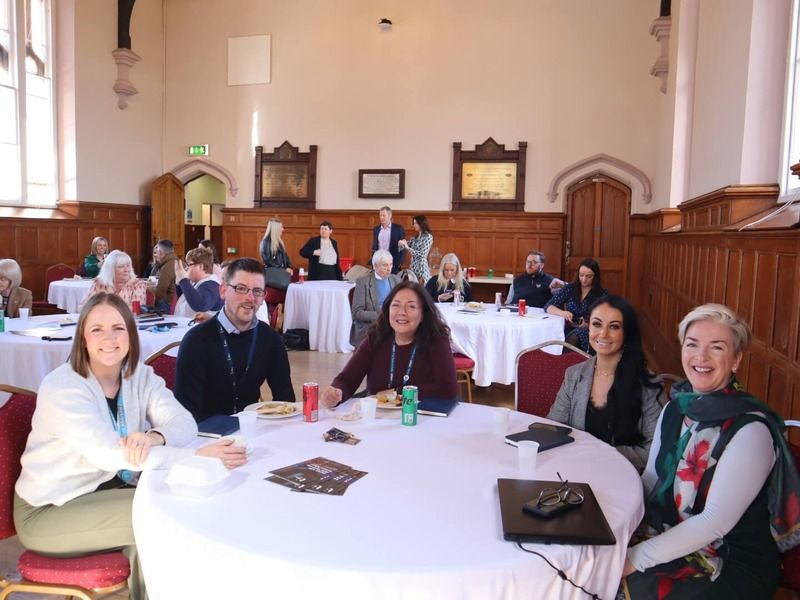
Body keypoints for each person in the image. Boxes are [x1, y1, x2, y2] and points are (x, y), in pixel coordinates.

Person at [13, 293, 247, 600]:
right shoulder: (63, 387)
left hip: (108, 491)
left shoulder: (138, 375)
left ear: (130, 334)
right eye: (97, 329)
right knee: (159, 515)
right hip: (49, 508)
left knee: (178, 505)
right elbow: (109, 454)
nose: (109, 338)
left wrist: (154, 437)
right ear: (82, 337)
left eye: (118, 328)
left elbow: (184, 422)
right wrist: (193, 456)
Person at [621, 304, 800, 599]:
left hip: (730, 559)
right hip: (669, 529)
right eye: (692, 344)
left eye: (716, 348)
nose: (700, 357)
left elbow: (714, 522)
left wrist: (630, 559)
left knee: (615, 586)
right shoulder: (675, 408)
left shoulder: (750, 430)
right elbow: (651, 479)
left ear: (735, 360)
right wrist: (614, 521)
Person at [546, 295, 664, 472]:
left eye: (614, 327)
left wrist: (601, 457)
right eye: (597, 324)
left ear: (627, 332)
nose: (603, 334)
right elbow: (554, 428)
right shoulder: (574, 375)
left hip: (623, 478)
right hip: (574, 472)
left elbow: (653, 449)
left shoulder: (649, 385)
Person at [174, 257, 296, 422]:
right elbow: (186, 415)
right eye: (241, 288)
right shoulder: (196, 341)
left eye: (257, 291)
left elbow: (286, 400)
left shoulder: (271, 339)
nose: (250, 298)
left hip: (252, 431)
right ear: (223, 291)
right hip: (205, 436)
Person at [323, 281, 458, 408]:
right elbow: (347, 379)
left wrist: (396, 393)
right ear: (388, 310)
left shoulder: (436, 340)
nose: (402, 312)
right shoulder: (376, 338)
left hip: (422, 417)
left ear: (423, 314)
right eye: (396, 305)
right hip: (379, 418)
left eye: (411, 306)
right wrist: (336, 392)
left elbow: (448, 388)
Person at [545, 258, 606, 352]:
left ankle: (566, 363)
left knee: (579, 334)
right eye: (581, 275)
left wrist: (589, 322)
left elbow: (604, 316)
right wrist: (562, 312)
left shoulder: (601, 294)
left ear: (595, 277)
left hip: (590, 329)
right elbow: (548, 306)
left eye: (589, 276)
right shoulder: (570, 288)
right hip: (569, 326)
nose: (584, 279)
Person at [350, 250, 401, 347]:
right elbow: (357, 313)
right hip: (370, 327)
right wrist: (382, 316)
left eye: (390, 265)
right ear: (375, 266)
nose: (389, 269)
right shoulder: (363, 282)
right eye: (385, 265)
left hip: (394, 326)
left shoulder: (396, 280)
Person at [173, 247, 223, 317]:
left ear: (200, 267)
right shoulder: (198, 282)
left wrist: (183, 280)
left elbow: (201, 306)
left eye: (189, 264)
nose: (186, 268)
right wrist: (180, 281)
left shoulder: (212, 285)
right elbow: (186, 299)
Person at [259, 217, 293, 289]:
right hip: (274, 276)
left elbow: (286, 258)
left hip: (281, 275)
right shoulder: (265, 242)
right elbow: (268, 261)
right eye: (281, 227)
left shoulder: (280, 242)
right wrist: (283, 269)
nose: (283, 229)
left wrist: (289, 267)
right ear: (275, 229)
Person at [398, 215, 433, 283]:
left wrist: (407, 248)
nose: (414, 225)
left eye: (416, 223)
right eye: (413, 223)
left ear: (421, 223)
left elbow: (422, 254)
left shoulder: (428, 237)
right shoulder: (416, 237)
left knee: (421, 289)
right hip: (413, 268)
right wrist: (401, 243)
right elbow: (406, 244)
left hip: (421, 268)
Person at [371, 206, 405, 274]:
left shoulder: (398, 229)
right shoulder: (376, 229)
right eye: (380, 215)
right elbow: (375, 245)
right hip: (378, 262)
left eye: (384, 215)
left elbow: (402, 248)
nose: (381, 217)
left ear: (390, 216)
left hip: (392, 263)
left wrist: (399, 263)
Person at [147, 240, 178, 313]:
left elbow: (159, 293)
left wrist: (146, 288)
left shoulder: (167, 267)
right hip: (176, 302)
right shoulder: (176, 261)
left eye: (156, 252)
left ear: (160, 252)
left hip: (168, 304)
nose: (155, 255)